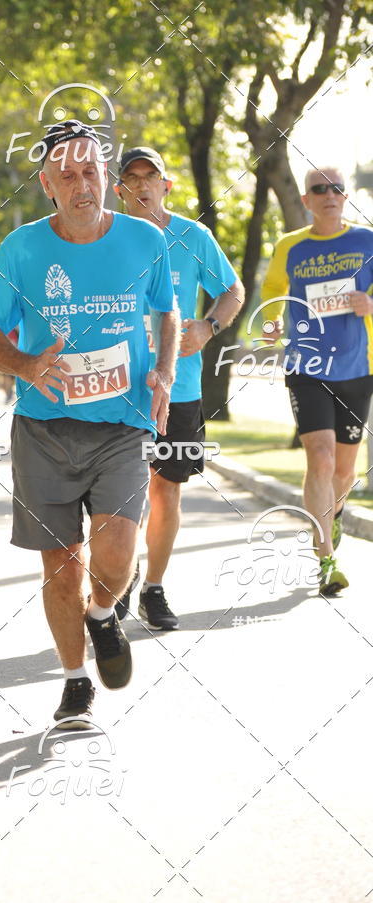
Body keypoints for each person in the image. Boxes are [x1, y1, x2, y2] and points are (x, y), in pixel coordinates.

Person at [0, 121, 179, 729]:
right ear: (48, 185)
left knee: (116, 557)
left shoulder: (145, 241)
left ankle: (102, 612)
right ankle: (74, 680)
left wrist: (164, 372)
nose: (81, 183)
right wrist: (27, 363)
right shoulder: (22, 250)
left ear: (106, 180)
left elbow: (167, 312)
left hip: (121, 424)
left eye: (91, 171)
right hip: (44, 428)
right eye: (67, 174)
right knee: (60, 564)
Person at [115, 147, 245, 628]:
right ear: (120, 190)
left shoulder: (193, 236)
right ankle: (119, 575)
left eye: (152, 177)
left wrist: (209, 327)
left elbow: (232, 290)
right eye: (132, 178)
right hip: (117, 387)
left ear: (166, 186)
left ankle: (153, 587)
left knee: (166, 491)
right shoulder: (106, 238)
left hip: (180, 388)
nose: (142, 185)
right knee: (119, 493)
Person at [261, 165, 373, 596]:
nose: (329, 194)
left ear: (345, 197)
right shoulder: (290, 246)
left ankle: (335, 510)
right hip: (306, 368)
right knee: (321, 458)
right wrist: (271, 323)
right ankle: (326, 558)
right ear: (305, 200)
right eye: (319, 189)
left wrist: (369, 301)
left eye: (337, 189)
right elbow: (273, 292)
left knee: (343, 471)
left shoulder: (366, 241)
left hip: (357, 368)